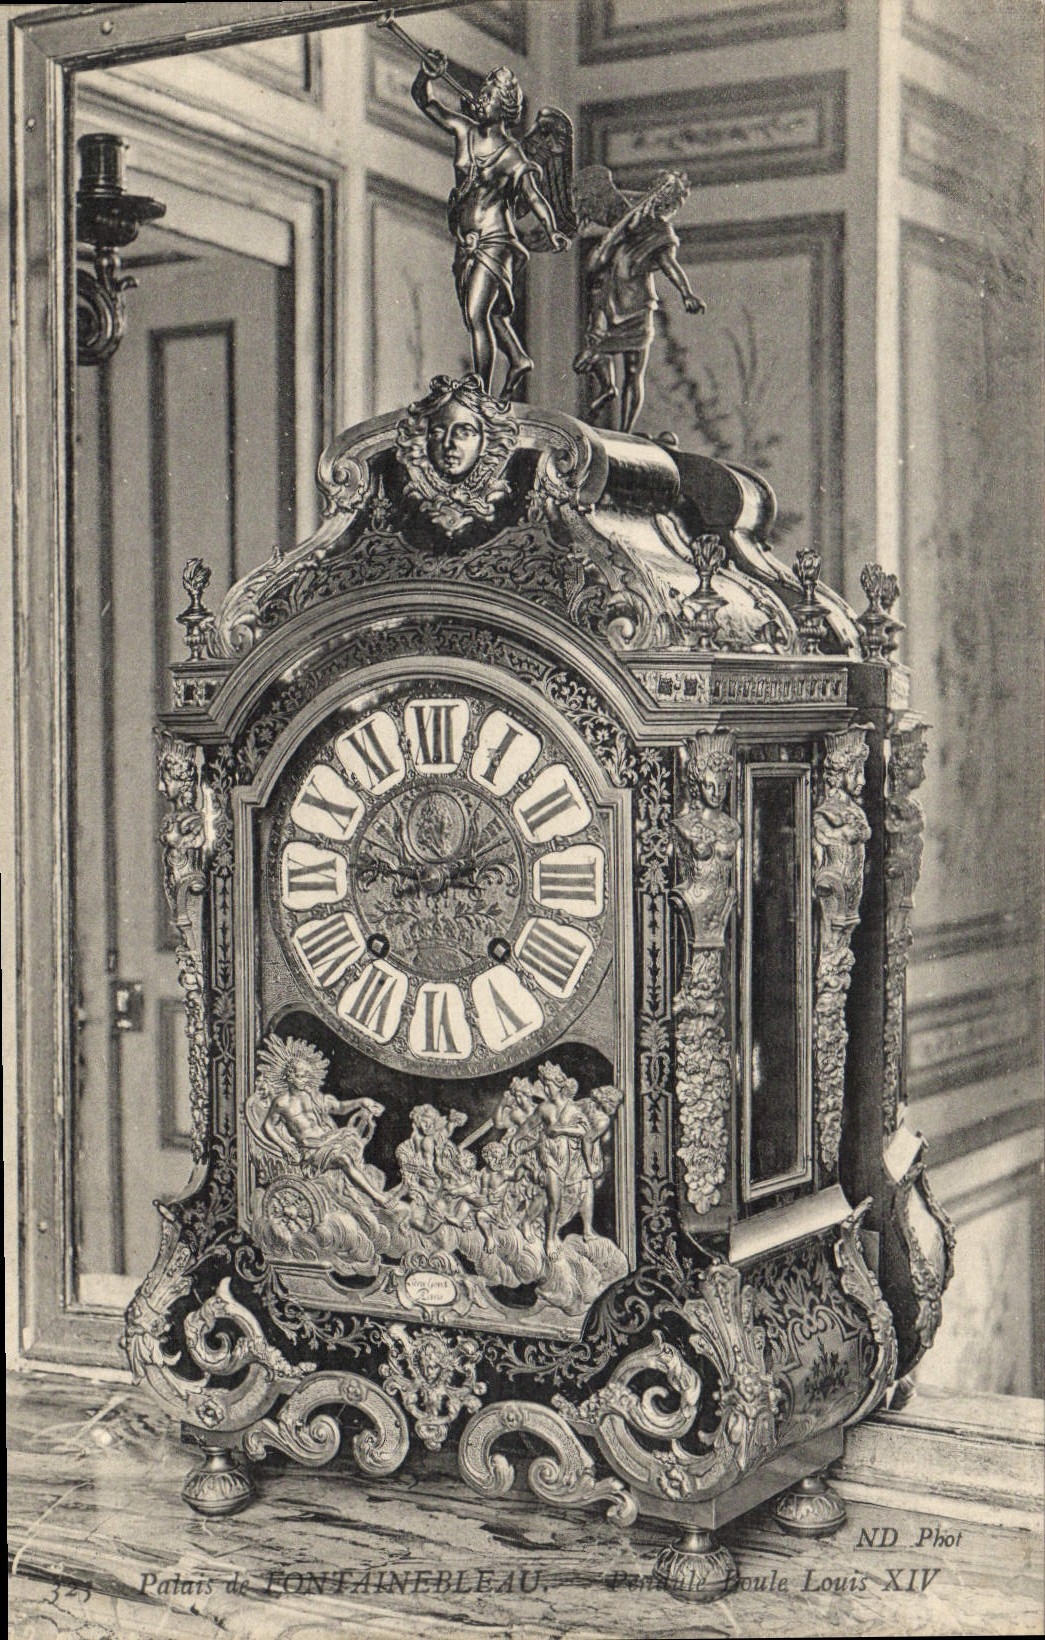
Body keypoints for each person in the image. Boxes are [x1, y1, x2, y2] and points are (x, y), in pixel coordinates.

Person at [412, 54, 570, 396]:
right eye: (481, 94)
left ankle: (479, 391)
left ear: (505, 108)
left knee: (476, 314)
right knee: (486, 314)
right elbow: (426, 103)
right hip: (465, 240)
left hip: (495, 240)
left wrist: (551, 228)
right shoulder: (463, 130)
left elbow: (533, 196)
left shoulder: (512, 155)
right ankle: (518, 359)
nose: (479, 100)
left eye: (488, 97)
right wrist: (426, 75)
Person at [573, 169, 705, 433]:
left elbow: (669, 265)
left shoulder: (658, 230)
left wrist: (686, 293)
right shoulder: (626, 215)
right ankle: (608, 388)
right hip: (610, 297)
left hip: (637, 302)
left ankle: (626, 431)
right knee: (590, 356)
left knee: (633, 372)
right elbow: (596, 259)